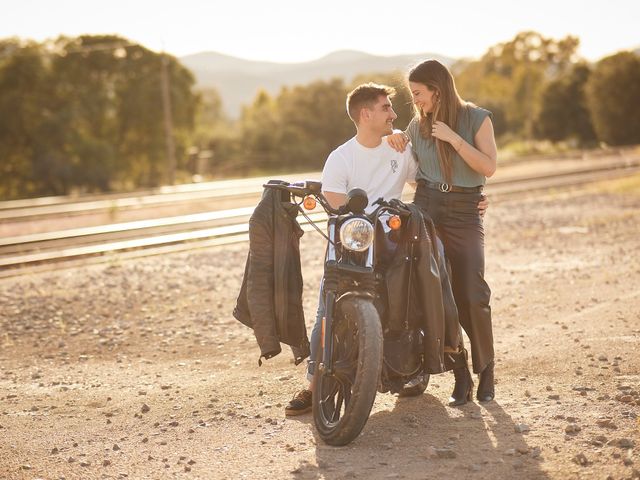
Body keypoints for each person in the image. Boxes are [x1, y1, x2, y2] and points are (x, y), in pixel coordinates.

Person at [285, 82, 488, 415]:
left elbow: (431, 182)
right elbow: (338, 207)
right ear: (366, 114)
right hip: (351, 250)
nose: (394, 114)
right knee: (326, 313)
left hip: (393, 247)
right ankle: (313, 385)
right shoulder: (341, 157)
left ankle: (416, 364)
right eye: (386, 108)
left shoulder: (400, 149)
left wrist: (471, 200)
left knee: (417, 298)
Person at [386, 59, 497, 405]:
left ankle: (487, 370)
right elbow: (405, 166)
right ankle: (460, 371)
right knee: (438, 294)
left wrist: (453, 138)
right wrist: (393, 140)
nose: (415, 101)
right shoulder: (416, 127)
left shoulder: (477, 118)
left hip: (465, 211)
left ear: (437, 89)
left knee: (473, 293)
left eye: (418, 94)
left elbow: (488, 167)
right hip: (427, 209)